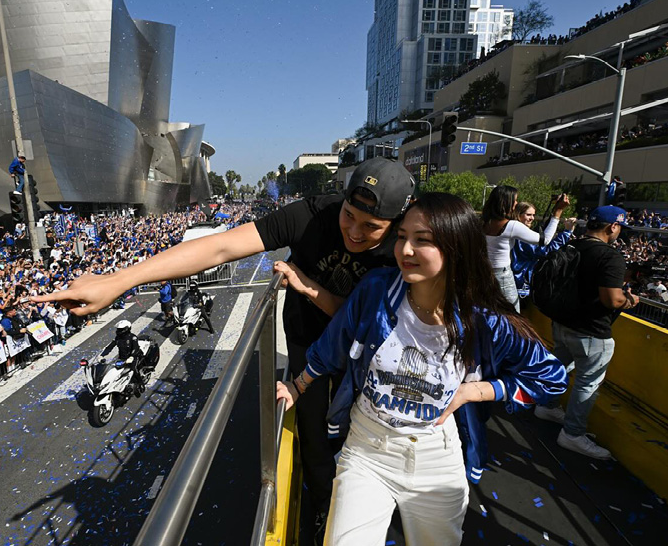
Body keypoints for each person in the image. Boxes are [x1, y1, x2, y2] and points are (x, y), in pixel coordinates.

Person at [32, 157, 416, 542]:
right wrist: (119, 281)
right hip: (307, 339)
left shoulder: (404, 248)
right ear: (342, 201)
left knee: (366, 427)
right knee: (313, 432)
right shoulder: (314, 215)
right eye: (349, 215)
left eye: (372, 227)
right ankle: (321, 508)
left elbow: (371, 322)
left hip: (367, 348)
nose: (353, 231)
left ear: (397, 226)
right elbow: (221, 246)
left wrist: (307, 286)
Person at [276, 193, 567, 546]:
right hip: (367, 451)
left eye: (422, 240)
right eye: (402, 237)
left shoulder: (484, 319)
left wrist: (475, 391)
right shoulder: (377, 290)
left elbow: (550, 378)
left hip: (436, 459)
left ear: (456, 248)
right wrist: (298, 386)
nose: (405, 250)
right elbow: (332, 345)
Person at [534, 206, 640, 459]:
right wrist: (630, 300)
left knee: (560, 366)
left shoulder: (572, 246)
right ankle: (572, 434)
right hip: (592, 332)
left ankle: (546, 406)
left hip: (562, 324)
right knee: (587, 383)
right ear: (612, 226)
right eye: (619, 228)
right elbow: (611, 300)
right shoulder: (610, 257)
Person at [482, 186, 569, 312]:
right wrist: (557, 213)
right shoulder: (511, 226)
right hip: (503, 275)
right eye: (515, 200)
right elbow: (544, 241)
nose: (516, 203)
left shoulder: (485, 222)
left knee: (490, 311)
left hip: (484, 272)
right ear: (506, 202)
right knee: (513, 315)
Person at [510, 201, 577, 298]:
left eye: (533, 215)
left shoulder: (513, 230)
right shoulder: (521, 235)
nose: (532, 218)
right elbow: (546, 250)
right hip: (521, 284)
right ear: (518, 214)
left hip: (517, 281)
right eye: (528, 215)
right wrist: (567, 232)